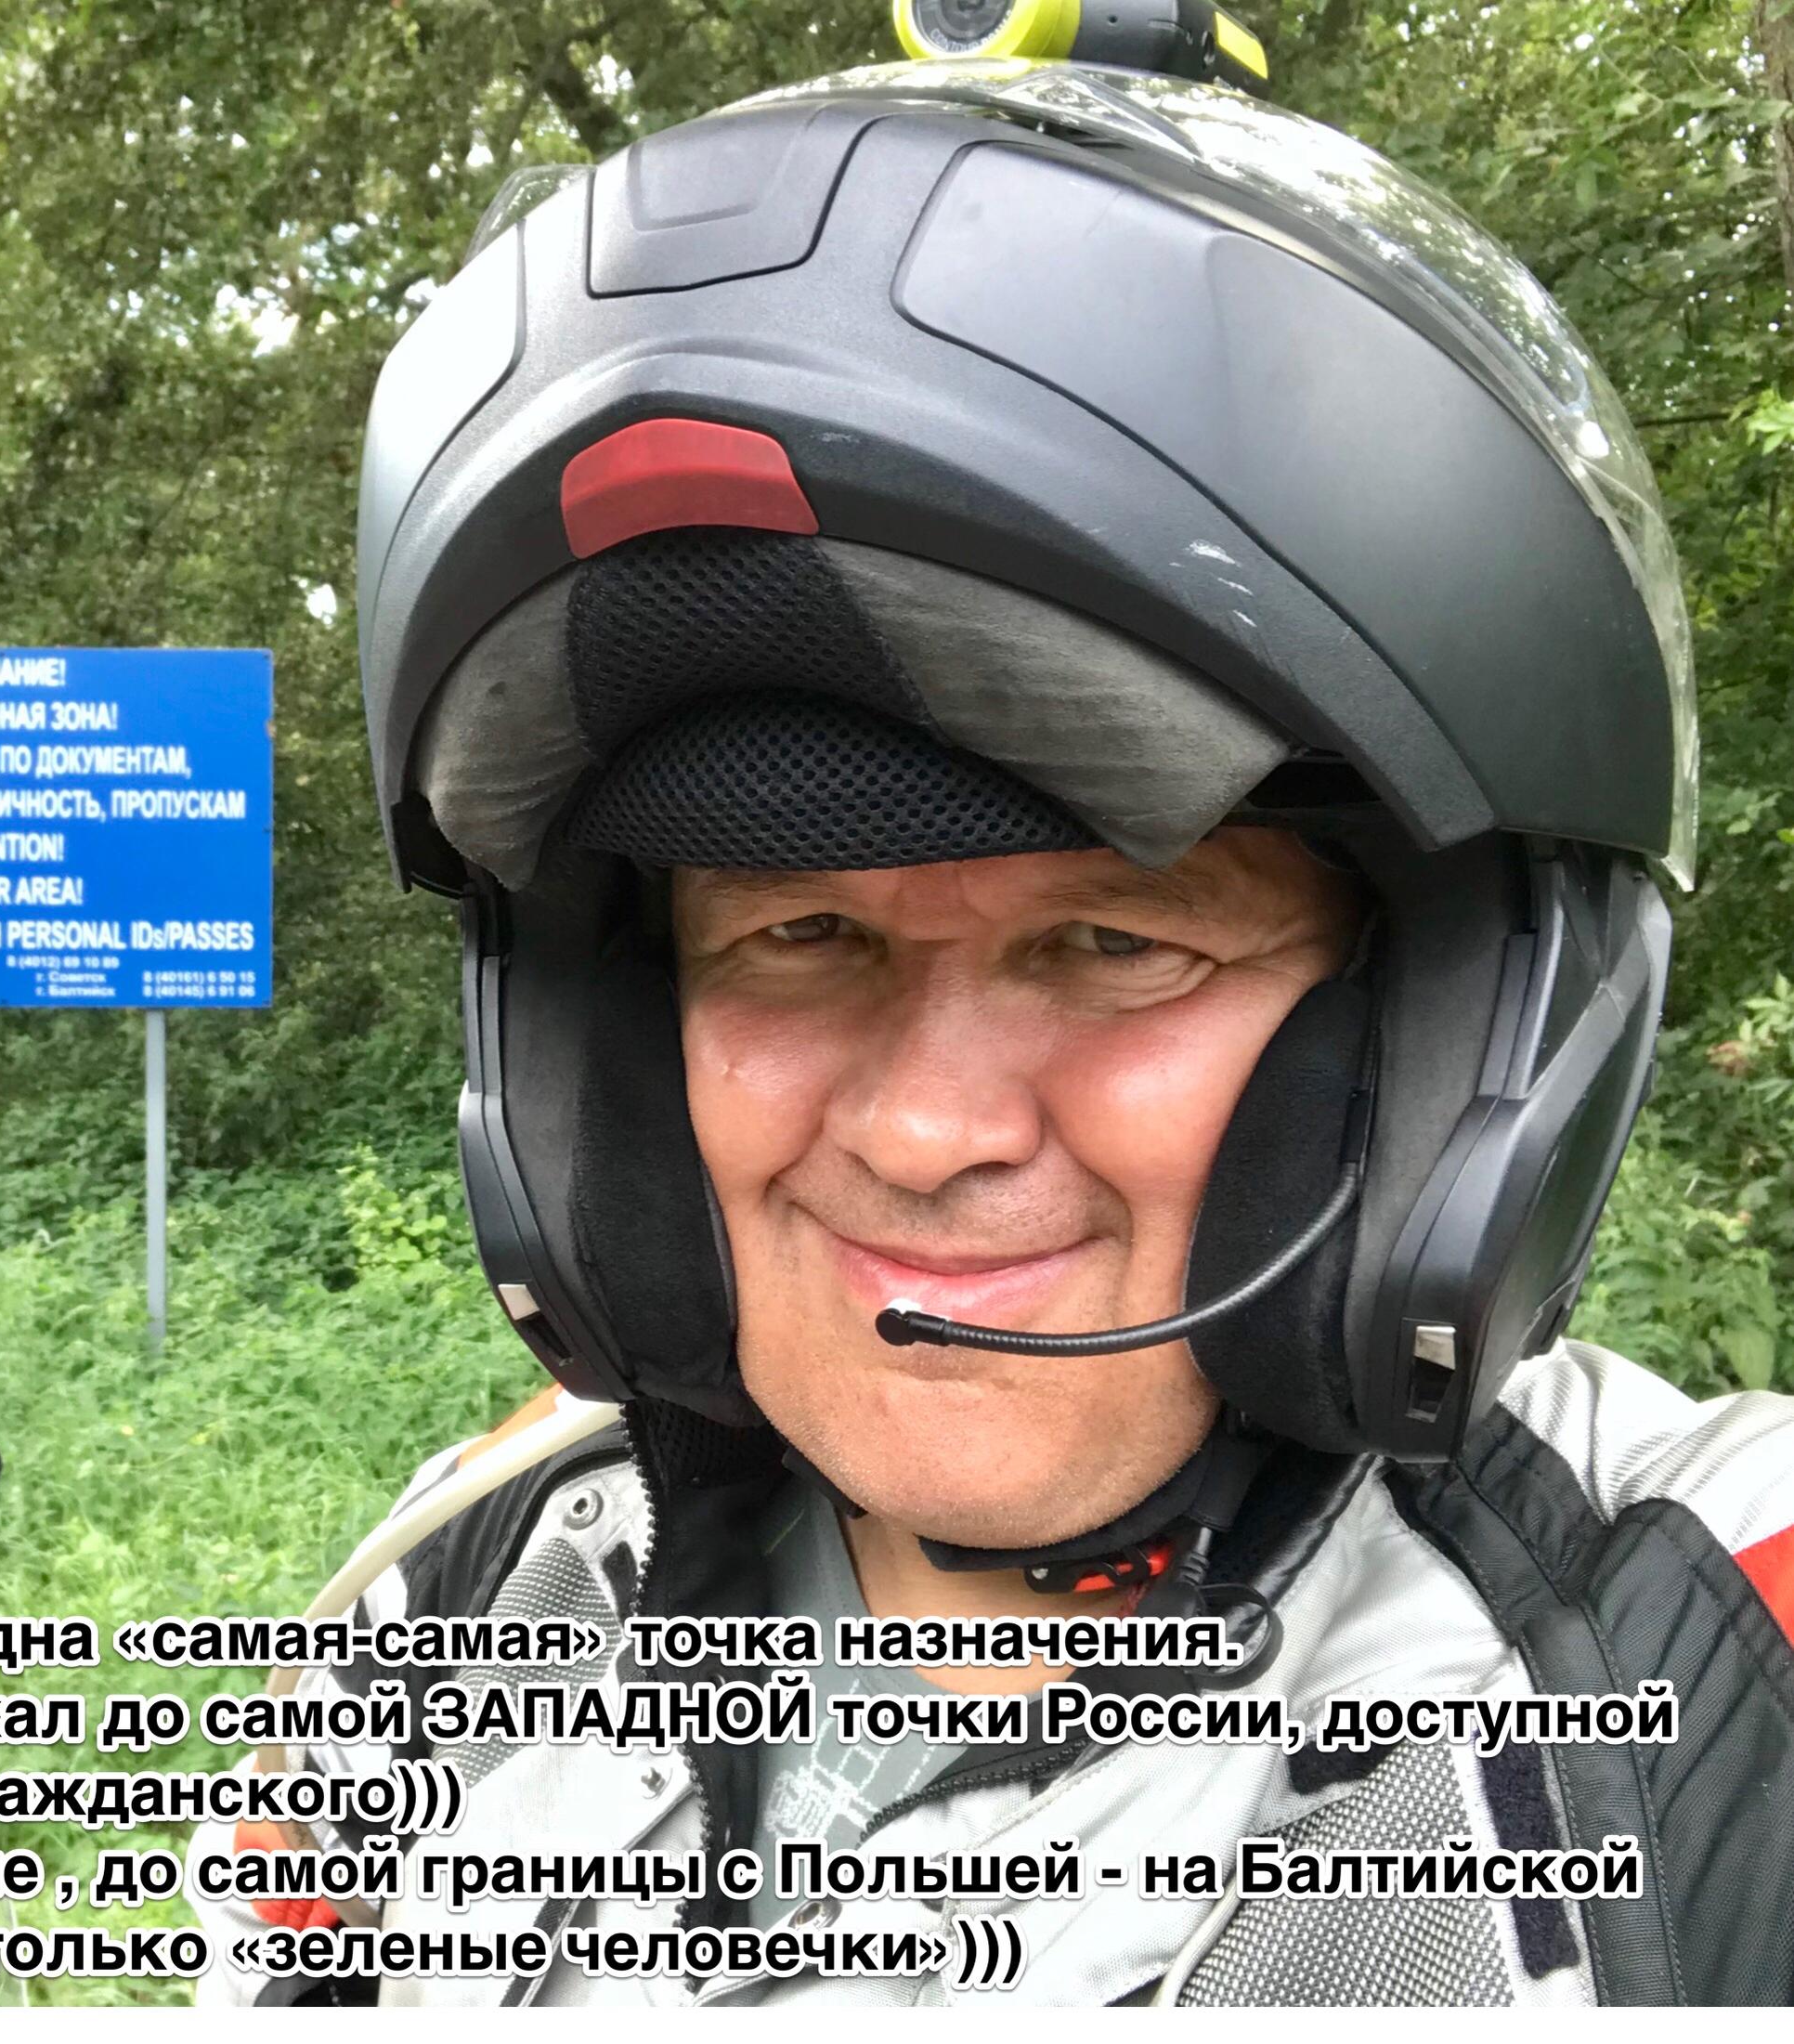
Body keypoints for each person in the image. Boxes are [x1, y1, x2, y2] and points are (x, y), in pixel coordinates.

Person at [193, 51, 1794, 2008]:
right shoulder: (457, 1596)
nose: (925, 1130)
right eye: (797, 934)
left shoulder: (1705, 1636)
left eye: (1115, 943)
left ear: (1435, 1040)